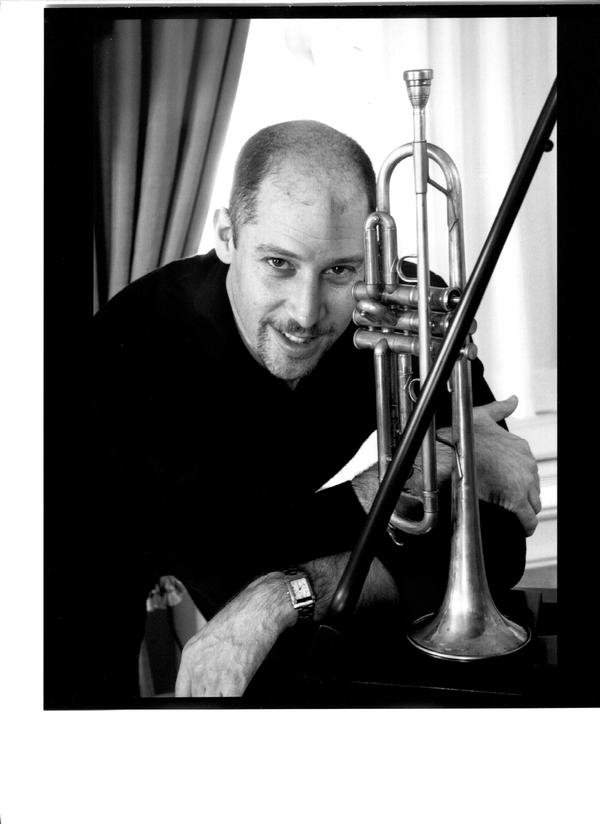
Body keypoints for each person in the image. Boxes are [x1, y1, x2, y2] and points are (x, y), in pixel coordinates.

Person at [77, 120, 540, 703]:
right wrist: (387, 485)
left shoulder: (400, 309)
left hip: (326, 638)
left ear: (374, 253)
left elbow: (497, 543)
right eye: (279, 263)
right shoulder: (133, 349)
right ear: (227, 236)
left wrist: (282, 597)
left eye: (341, 270)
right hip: (80, 576)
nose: (305, 312)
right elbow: (223, 568)